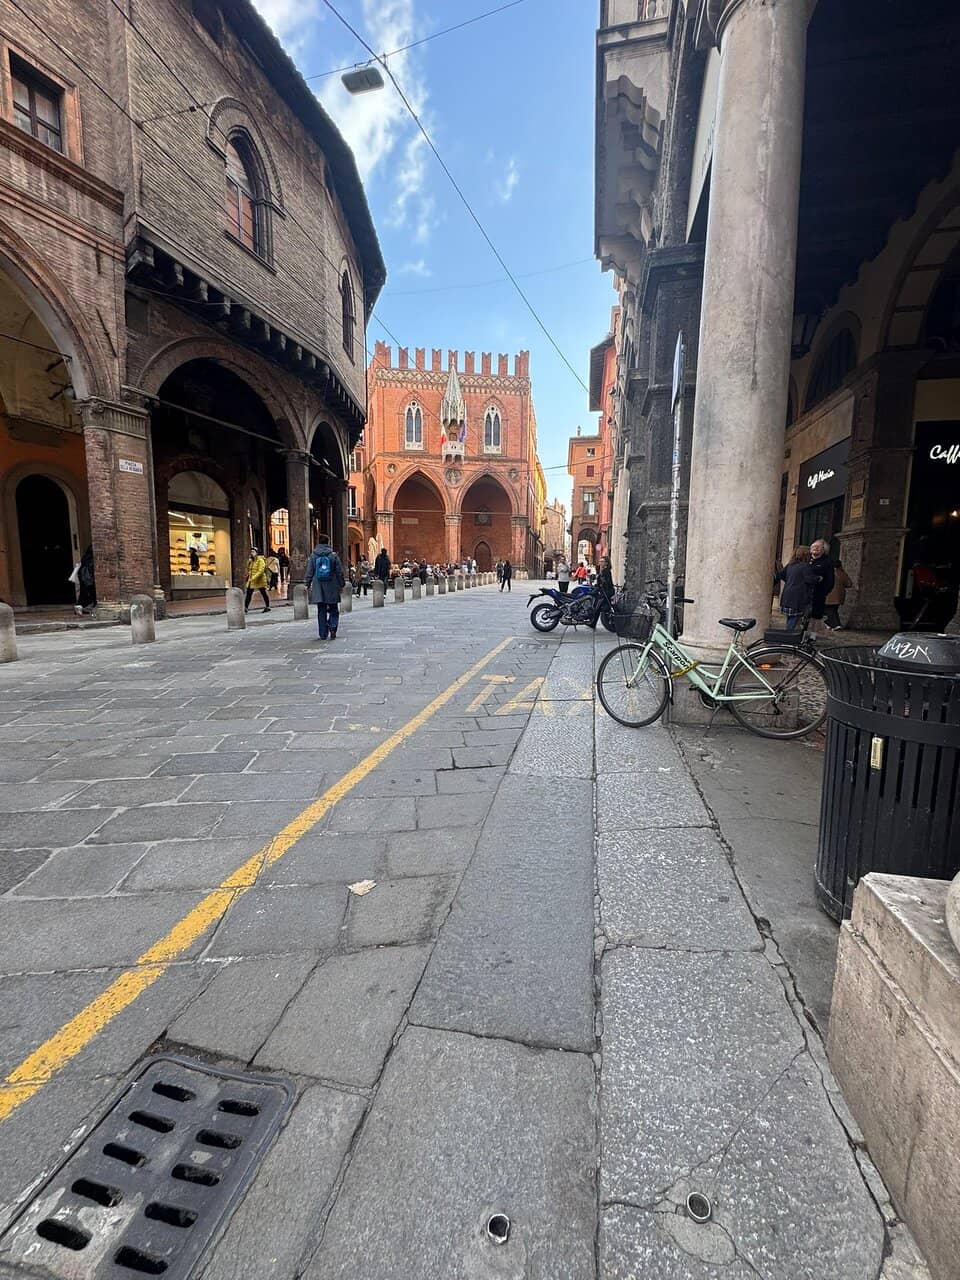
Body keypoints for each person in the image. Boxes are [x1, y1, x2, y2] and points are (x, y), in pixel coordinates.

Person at [307, 533, 346, 640]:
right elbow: (339, 572)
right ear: (328, 542)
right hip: (332, 585)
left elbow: (310, 571)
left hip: (318, 585)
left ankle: (323, 633)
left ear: (318, 542)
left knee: (321, 609)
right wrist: (342, 584)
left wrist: (307, 583)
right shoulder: (333, 555)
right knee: (333, 608)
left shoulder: (313, 555)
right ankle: (333, 627)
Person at [776, 546, 818, 630]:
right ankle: (789, 639)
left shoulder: (790, 565)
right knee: (794, 620)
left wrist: (791, 581)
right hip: (798, 598)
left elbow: (780, 575)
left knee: (790, 618)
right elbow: (810, 580)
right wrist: (818, 578)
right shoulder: (805, 566)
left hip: (787, 596)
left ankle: (790, 638)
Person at [809, 539, 835, 632]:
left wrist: (823, 592)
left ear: (824, 550)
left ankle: (813, 635)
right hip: (804, 593)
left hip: (818, 593)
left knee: (816, 616)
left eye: (818, 546)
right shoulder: (806, 560)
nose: (815, 548)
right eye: (813, 546)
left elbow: (830, 580)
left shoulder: (827, 562)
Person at [824, 560, 852, 631]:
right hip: (839, 596)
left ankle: (835, 624)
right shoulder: (841, 573)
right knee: (833, 610)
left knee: (830, 610)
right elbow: (849, 584)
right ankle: (830, 623)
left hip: (828, 595)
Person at [244, 547, 270, 612]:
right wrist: (249, 562)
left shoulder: (260, 560)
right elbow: (249, 569)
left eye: (253, 552)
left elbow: (260, 571)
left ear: (257, 553)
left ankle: (267, 606)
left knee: (263, 593)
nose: (251, 553)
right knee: (249, 593)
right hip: (252, 580)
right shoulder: (252, 561)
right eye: (251, 552)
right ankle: (245, 607)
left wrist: (253, 578)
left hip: (259, 580)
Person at [77, 545, 96, 615]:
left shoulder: (85, 557)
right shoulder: (92, 558)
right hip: (89, 578)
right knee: (92, 594)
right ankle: (89, 607)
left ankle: (79, 606)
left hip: (83, 577)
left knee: (83, 593)